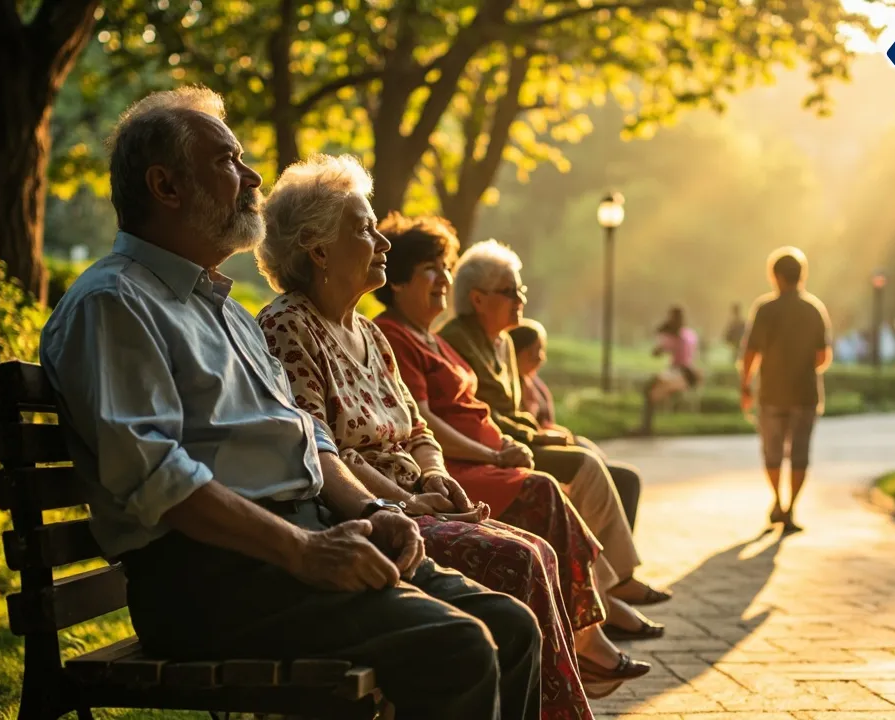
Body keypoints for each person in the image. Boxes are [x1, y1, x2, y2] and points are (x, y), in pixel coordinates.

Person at [39, 88, 541, 719]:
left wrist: (377, 508)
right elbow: (157, 478)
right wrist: (302, 551)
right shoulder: (114, 304)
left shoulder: (225, 311)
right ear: (165, 186)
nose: (251, 177)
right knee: (458, 647)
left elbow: (306, 436)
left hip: (294, 542)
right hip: (211, 579)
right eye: (227, 161)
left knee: (511, 623)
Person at [254, 154, 629, 718]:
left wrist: (433, 474)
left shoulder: (369, 336)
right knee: (524, 561)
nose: (382, 241)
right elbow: (321, 447)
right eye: (364, 228)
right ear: (318, 249)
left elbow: (420, 427)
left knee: (537, 552)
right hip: (368, 518)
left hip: (418, 500)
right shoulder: (288, 325)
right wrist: (405, 500)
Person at [371, 213, 659, 694]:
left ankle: (590, 626)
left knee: (572, 479)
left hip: (481, 457)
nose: (445, 279)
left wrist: (508, 444)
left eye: (445, 268)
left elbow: (480, 410)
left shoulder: (434, 338)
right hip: (462, 465)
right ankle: (588, 637)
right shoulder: (394, 336)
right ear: (398, 279)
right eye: (431, 269)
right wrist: (497, 452)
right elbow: (425, 422)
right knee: (546, 489)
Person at [440, 240, 672, 631]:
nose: (520, 299)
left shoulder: (502, 342)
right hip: (493, 448)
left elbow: (513, 410)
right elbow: (482, 413)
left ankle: (609, 588)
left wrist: (542, 433)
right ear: (477, 299)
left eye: (521, 290)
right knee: (583, 465)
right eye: (510, 292)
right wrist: (538, 437)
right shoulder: (456, 339)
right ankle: (616, 587)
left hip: (517, 438)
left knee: (609, 466)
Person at [508, 319, 642, 531]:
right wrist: (552, 436)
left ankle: (613, 547)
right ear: (515, 352)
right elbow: (524, 430)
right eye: (533, 351)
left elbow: (546, 423)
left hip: (559, 447)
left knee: (621, 476)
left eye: (541, 350)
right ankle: (604, 548)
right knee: (626, 479)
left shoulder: (534, 384)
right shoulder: (508, 387)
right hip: (538, 454)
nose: (540, 357)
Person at [740, 246, 833, 534]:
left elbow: (751, 352)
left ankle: (777, 502)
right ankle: (791, 507)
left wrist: (745, 385)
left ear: (776, 276)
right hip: (805, 394)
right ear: (801, 275)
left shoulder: (765, 309)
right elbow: (823, 358)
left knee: (772, 452)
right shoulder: (813, 309)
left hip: (771, 393)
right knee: (800, 453)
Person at [638, 306, 701, 435]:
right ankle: (647, 426)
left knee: (651, 392)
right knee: (653, 389)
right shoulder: (690, 335)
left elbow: (656, 353)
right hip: (687, 373)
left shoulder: (676, 338)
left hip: (680, 374)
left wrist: (662, 336)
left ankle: (646, 427)